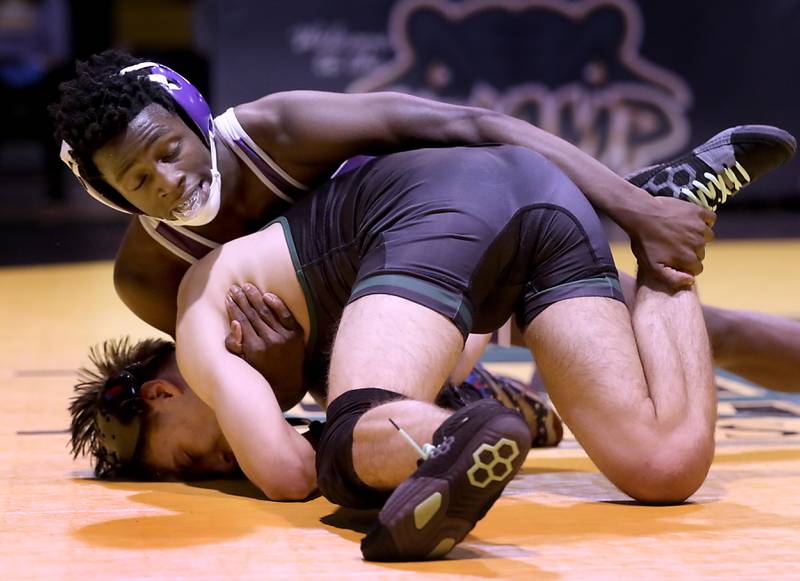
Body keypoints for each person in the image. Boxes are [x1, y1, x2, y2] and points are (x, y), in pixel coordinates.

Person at [65, 135, 793, 563]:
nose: (220, 468)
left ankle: (449, 431)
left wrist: (336, 428)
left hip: (438, 203)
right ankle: (672, 229)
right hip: (530, 212)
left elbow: (287, 474)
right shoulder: (337, 351)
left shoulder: (202, 312)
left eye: (192, 460)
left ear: (161, 392)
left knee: (350, 435)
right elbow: (461, 336)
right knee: (665, 465)